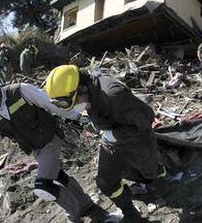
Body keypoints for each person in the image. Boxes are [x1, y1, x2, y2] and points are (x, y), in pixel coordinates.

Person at [0, 66, 96, 222]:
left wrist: (78, 117)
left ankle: (75, 216)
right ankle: (87, 205)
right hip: (35, 149)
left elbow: (52, 105)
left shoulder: (21, 91)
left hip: (50, 138)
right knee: (58, 175)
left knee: (43, 186)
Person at [45, 65, 167, 222]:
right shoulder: (88, 92)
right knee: (105, 181)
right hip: (111, 141)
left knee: (150, 172)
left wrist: (114, 134)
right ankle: (130, 213)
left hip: (138, 138)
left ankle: (162, 190)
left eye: (74, 101)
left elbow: (146, 119)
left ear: (81, 88)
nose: (75, 106)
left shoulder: (113, 94)